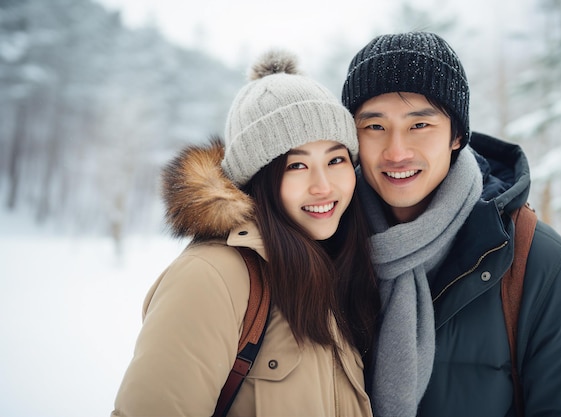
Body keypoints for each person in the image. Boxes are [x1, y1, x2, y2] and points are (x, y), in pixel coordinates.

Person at [341, 31, 561, 416]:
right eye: (374, 126)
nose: (396, 151)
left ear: (457, 135)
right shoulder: (321, 251)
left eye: (419, 125)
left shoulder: (540, 265)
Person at [111, 50, 379, 416]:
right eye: (296, 165)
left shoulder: (335, 267)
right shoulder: (213, 276)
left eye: (336, 160)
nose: (323, 186)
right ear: (259, 179)